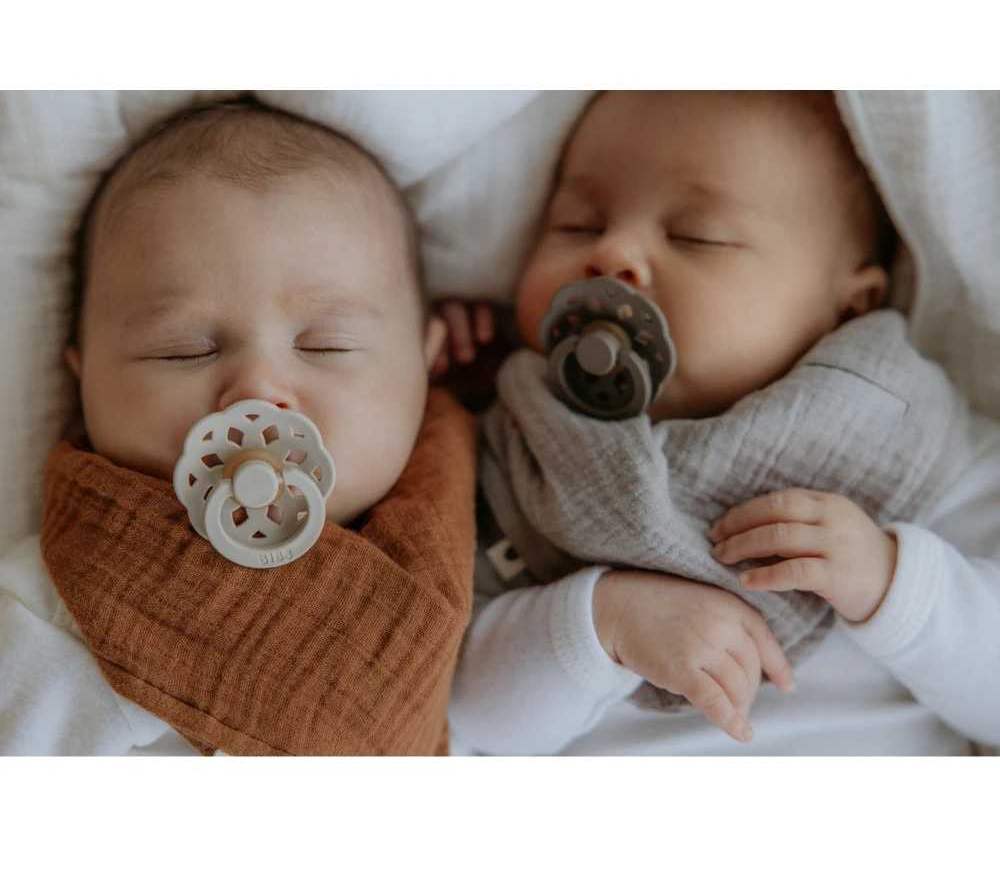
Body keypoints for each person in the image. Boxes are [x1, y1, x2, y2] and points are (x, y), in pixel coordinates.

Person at [441, 90, 1000, 755]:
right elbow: (457, 711)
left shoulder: (913, 440)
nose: (612, 252)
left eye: (696, 236)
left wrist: (894, 586)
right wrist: (598, 625)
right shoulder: (515, 445)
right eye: (578, 225)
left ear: (850, 307)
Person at [0, 99, 477, 756]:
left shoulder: (466, 538)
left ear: (426, 367)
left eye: (326, 345)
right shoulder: (50, 616)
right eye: (183, 350)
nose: (255, 392)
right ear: (82, 384)